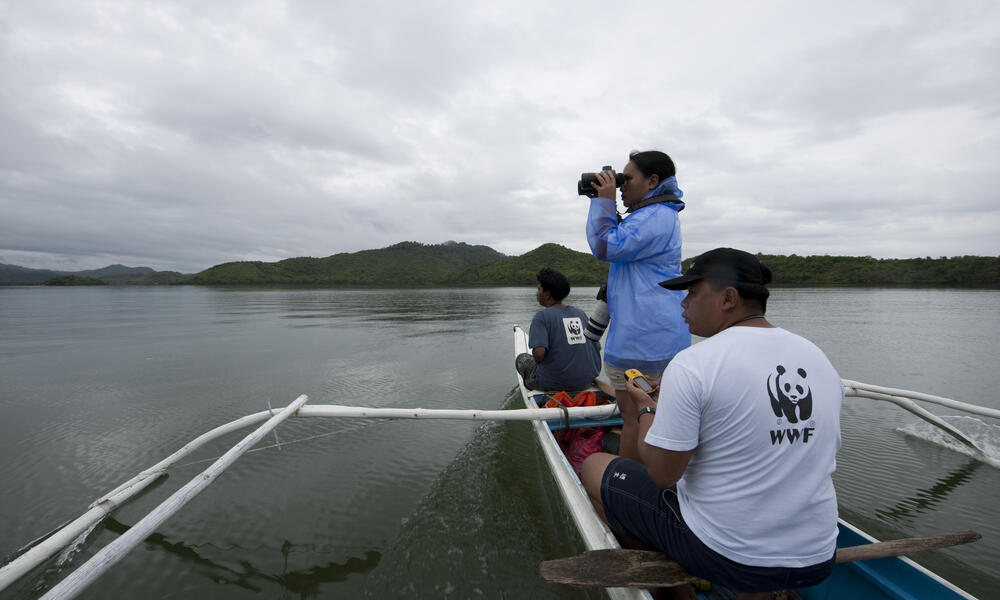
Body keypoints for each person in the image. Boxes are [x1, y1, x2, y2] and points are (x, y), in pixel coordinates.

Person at [581, 248, 842, 596]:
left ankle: (671, 588)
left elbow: (662, 474)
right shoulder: (816, 356)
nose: (683, 304)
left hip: (730, 557)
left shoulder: (694, 363)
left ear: (728, 298)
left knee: (595, 467)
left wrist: (646, 409)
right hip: (818, 554)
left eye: (691, 292)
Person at [586, 150, 690, 460]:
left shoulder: (655, 217)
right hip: (657, 340)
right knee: (656, 416)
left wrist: (602, 202)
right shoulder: (659, 215)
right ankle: (661, 478)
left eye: (626, 179)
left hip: (641, 346)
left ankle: (628, 488)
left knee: (633, 420)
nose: (620, 186)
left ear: (652, 181)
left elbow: (605, 245)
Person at [515, 268, 602, 391]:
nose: (536, 293)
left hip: (553, 383)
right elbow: (596, 347)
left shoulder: (541, 317)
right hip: (586, 381)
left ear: (547, 294)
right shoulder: (581, 314)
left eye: (539, 289)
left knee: (522, 359)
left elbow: (539, 355)